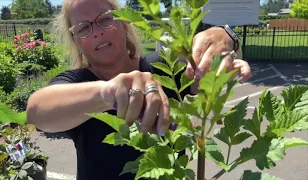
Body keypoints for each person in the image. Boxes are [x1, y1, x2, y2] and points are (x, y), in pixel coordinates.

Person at [26, 0, 251, 179]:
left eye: (105, 19)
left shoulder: (163, 67)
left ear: (124, 24)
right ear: (76, 41)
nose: (96, 32)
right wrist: (108, 92)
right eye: (83, 27)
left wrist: (226, 39)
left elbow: (206, 70)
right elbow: (37, 110)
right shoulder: (77, 83)